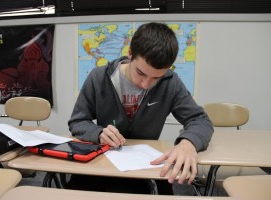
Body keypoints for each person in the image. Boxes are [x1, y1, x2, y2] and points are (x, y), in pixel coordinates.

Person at [68, 22, 214, 194]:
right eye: (141, 73)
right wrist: (98, 133)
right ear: (130, 54)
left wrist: (188, 143)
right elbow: (78, 121)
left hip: (146, 169)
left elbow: (200, 120)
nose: (146, 84)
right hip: (101, 163)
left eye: (156, 78)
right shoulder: (98, 77)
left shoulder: (171, 83)